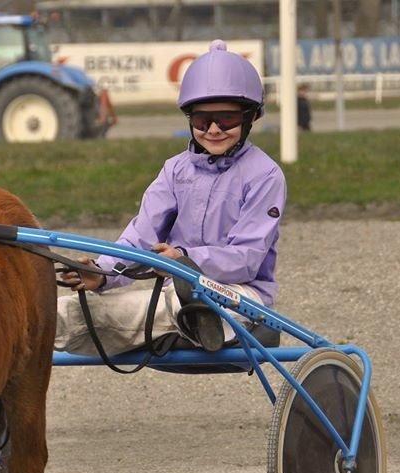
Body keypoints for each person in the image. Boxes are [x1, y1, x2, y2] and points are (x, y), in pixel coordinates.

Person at [55, 40, 286, 355]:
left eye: (227, 119)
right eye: (203, 121)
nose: (214, 129)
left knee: (176, 304)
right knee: (77, 310)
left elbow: (246, 260)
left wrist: (184, 261)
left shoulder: (265, 175)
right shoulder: (175, 171)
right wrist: (101, 274)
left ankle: (202, 322)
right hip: (179, 294)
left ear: (250, 118)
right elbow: (140, 237)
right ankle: (32, 327)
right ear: (189, 119)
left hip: (241, 296)